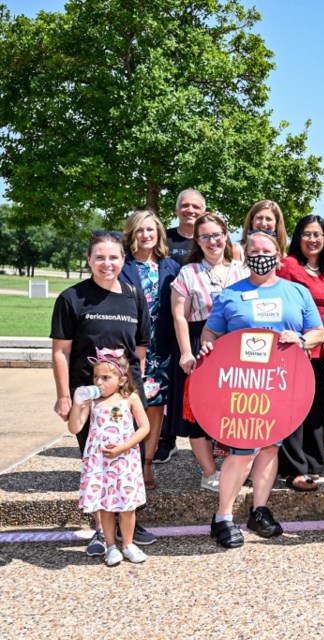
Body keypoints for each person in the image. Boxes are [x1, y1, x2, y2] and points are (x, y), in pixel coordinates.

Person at [201, 230, 324, 549]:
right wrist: (205, 349)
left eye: (266, 250)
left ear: (279, 253)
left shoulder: (297, 292)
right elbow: (210, 333)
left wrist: (300, 340)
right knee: (243, 450)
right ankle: (223, 518)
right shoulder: (231, 294)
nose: (260, 255)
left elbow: (317, 332)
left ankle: (259, 509)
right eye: (253, 250)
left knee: (270, 447)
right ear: (244, 254)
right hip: (242, 386)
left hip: (280, 386)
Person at [51, 230, 156, 555]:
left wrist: (135, 385)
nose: (106, 263)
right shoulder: (72, 298)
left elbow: (140, 348)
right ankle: (101, 529)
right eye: (100, 257)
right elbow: (61, 352)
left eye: (113, 257)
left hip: (126, 396)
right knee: (95, 462)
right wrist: (65, 395)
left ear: (123, 260)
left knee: (129, 459)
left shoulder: (133, 295)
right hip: (89, 398)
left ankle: (129, 522)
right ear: (89, 260)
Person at [169, 213, 248, 492]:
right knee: (199, 412)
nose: (212, 241)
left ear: (225, 235)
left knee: (235, 409)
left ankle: (236, 466)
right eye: (205, 236)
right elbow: (179, 315)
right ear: (197, 240)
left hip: (237, 345)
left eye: (216, 235)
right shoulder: (188, 272)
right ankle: (209, 472)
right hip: (200, 341)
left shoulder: (243, 271)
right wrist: (186, 353)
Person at [68, 350, 150, 565]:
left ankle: (129, 544)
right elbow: (75, 427)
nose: (99, 381)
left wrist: (123, 447)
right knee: (105, 505)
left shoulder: (129, 398)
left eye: (106, 377)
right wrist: (77, 405)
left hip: (124, 460)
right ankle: (111, 546)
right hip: (100, 462)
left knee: (127, 506)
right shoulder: (92, 401)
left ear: (122, 379)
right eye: (96, 377)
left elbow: (144, 427)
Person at [119, 209, 180, 490]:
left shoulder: (171, 267)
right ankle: (123, 464)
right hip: (128, 349)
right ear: (132, 234)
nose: (146, 235)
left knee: (155, 408)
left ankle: (146, 465)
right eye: (140, 230)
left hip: (162, 351)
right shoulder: (122, 266)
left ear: (159, 235)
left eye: (151, 230)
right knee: (126, 405)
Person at [276, 214, 324, 491]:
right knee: (293, 410)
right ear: (298, 237)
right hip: (292, 348)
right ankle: (293, 468)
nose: (313, 239)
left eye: (318, 234)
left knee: (314, 408)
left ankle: (313, 462)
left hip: (317, 349)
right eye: (308, 234)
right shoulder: (288, 266)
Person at [155, 188, 206, 463]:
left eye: (196, 206)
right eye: (185, 206)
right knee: (168, 380)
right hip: (166, 319)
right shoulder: (166, 240)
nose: (190, 210)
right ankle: (167, 437)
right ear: (176, 210)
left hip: (199, 324)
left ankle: (209, 437)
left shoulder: (207, 240)